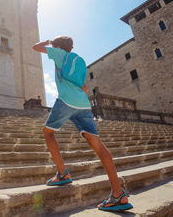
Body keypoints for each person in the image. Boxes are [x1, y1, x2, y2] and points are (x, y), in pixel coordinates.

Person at [32, 36, 133, 212]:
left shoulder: (58, 53)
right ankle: (118, 193)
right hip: (83, 104)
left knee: (48, 133)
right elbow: (84, 87)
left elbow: (35, 47)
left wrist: (48, 43)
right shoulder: (78, 60)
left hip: (65, 101)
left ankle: (62, 173)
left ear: (58, 46)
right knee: (98, 145)